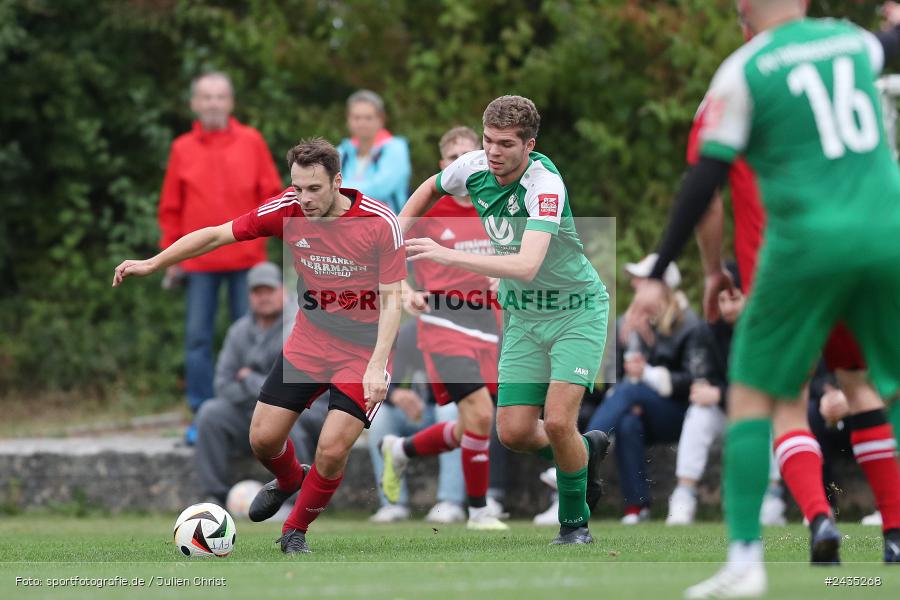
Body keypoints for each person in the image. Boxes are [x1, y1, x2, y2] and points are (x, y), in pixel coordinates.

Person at [627, 2, 900, 596]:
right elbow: (892, 41)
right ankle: (896, 530)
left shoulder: (745, 70)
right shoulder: (850, 42)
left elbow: (704, 180)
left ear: (742, 13)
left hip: (796, 256)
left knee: (757, 395)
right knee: (878, 385)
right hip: (886, 237)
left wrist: (663, 266)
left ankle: (749, 558)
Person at [115, 138, 405, 555]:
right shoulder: (286, 208)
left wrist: (377, 365)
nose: (303, 199)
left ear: (337, 181)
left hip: (362, 351)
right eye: (297, 187)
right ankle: (289, 478)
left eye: (314, 189)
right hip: (310, 339)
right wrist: (154, 262)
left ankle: (294, 530)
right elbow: (217, 234)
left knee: (331, 447)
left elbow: (393, 297)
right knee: (263, 440)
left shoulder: (379, 221)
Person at [400, 96, 610, 545]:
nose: (493, 152)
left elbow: (528, 264)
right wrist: (396, 235)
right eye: (488, 140)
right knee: (513, 432)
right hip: (524, 315)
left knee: (556, 421)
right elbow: (429, 188)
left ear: (529, 146)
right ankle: (586, 449)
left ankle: (574, 525)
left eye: (506, 144)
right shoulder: (473, 166)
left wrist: (444, 254)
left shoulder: (545, 185)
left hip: (576, 311)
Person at [381, 126, 508, 530]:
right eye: (454, 159)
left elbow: (526, 255)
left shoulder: (499, 206)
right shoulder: (429, 211)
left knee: (481, 422)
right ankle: (478, 511)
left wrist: (509, 276)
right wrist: (404, 289)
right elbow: (387, 251)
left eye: (469, 157)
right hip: (442, 319)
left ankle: (401, 449)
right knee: (480, 414)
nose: (462, 165)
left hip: (492, 324)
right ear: (443, 166)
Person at [157, 71, 283, 443]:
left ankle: (255, 412)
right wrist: (169, 257)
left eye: (220, 96)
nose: (213, 103)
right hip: (198, 264)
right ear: (195, 103)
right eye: (206, 97)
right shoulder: (182, 147)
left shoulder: (252, 141)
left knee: (253, 340)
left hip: (247, 260)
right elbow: (171, 207)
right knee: (197, 340)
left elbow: (272, 194)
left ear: (230, 102)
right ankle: (202, 414)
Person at [194, 262, 326, 505]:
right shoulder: (238, 332)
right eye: (257, 292)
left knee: (285, 419)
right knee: (210, 413)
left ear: (283, 291)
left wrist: (249, 378)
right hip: (251, 410)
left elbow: (293, 387)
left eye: (269, 290)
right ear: (249, 296)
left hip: (305, 409)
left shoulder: (299, 324)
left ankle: (295, 501)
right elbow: (222, 384)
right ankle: (215, 497)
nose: (264, 297)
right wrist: (260, 391)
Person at [587, 254, 699, 524]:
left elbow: (692, 379)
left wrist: (646, 373)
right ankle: (636, 507)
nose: (636, 284)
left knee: (628, 394)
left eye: (643, 279)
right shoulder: (628, 321)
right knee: (627, 421)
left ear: (661, 286)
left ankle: (578, 455)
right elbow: (613, 378)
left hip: (680, 412)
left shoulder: (689, 323)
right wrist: (636, 341)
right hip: (638, 410)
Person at [368, 319, 466, 524]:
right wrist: (396, 395)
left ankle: (451, 502)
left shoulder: (459, 330)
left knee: (449, 410)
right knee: (380, 417)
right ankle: (392, 504)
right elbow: (387, 380)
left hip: (446, 409)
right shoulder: (408, 333)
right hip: (416, 412)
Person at [338, 90, 412, 214]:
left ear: (381, 119)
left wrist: (333, 188)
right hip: (348, 226)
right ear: (348, 120)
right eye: (356, 117)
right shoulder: (341, 151)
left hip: (388, 226)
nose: (362, 123)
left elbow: (379, 189)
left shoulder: (396, 148)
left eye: (368, 118)